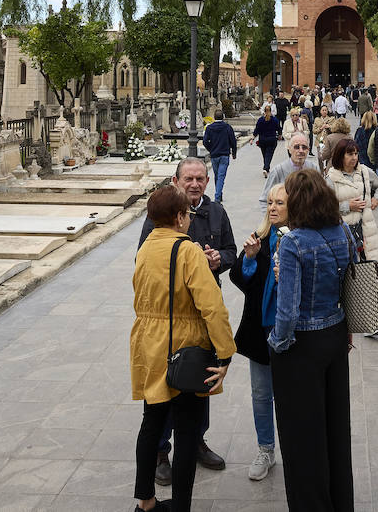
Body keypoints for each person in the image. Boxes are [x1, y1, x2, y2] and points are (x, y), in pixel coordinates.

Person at [132, 185, 236, 512]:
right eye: (187, 214)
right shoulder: (188, 249)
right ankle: (181, 507)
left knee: (152, 421)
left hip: (148, 345)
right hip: (184, 346)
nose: (190, 218)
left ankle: (145, 502)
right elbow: (212, 306)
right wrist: (225, 351)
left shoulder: (146, 247)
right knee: (187, 433)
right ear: (179, 217)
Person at [268, 168, 356, 511]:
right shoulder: (344, 231)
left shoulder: (293, 242)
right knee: (335, 428)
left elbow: (287, 311)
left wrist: (277, 342)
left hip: (302, 345)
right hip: (335, 335)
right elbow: (349, 286)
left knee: (302, 437)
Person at [231, 183, 289, 482]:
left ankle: (295, 450)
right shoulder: (260, 238)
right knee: (261, 393)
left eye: (279, 202)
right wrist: (251, 258)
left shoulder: (300, 240)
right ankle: (266, 449)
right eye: (269, 202)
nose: (272, 207)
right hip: (261, 329)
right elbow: (240, 279)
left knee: (291, 395)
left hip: (291, 333)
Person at [323, 137, 378, 262]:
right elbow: (324, 208)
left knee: (365, 273)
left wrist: (377, 199)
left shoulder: (364, 171)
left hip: (365, 230)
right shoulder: (331, 178)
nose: (354, 157)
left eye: (356, 154)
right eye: (350, 154)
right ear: (341, 155)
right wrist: (347, 206)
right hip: (342, 232)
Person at [261, 132, 313, 208]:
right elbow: (265, 200)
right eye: (297, 147)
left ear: (308, 150)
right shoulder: (278, 171)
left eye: (304, 147)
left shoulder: (313, 168)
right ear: (289, 149)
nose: (301, 150)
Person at [201, 107, 238, 202]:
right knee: (221, 176)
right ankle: (217, 197)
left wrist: (211, 149)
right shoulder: (227, 127)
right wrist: (234, 152)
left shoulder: (209, 128)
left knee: (217, 175)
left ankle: (219, 194)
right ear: (223, 117)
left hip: (214, 155)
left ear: (214, 117)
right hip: (224, 154)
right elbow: (233, 141)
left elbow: (205, 141)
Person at [252, 103, 282, 176]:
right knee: (269, 154)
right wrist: (280, 135)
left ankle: (266, 167)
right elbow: (279, 128)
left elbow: (257, 130)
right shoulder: (274, 119)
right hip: (271, 139)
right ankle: (266, 168)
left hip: (262, 140)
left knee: (265, 154)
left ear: (264, 111)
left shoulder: (260, 120)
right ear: (271, 111)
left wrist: (253, 137)